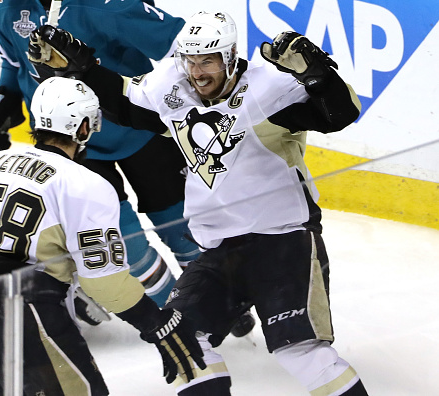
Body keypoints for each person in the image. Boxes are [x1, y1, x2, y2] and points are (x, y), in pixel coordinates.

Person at [28, 10, 368, 396]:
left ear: (230, 56)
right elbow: (126, 107)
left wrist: (320, 79)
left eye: (207, 60)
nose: (197, 71)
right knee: (183, 342)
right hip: (219, 249)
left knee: (301, 352)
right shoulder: (171, 86)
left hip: (282, 239)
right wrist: (85, 70)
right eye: (190, 59)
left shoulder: (268, 88)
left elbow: (341, 114)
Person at [0, 76, 205, 395]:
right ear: (83, 128)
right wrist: (154, 324)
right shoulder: (86, 185)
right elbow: (103, 281)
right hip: (34, 319)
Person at [0, 0, 203, 317]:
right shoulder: (4, 7)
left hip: (138, 130)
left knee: (182, 230)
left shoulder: (105, 5)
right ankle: (180, 316)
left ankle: (212, 296)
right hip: (68, 143)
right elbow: (14, 62)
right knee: (125, 246)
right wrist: (0, 101)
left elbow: (189, 47)